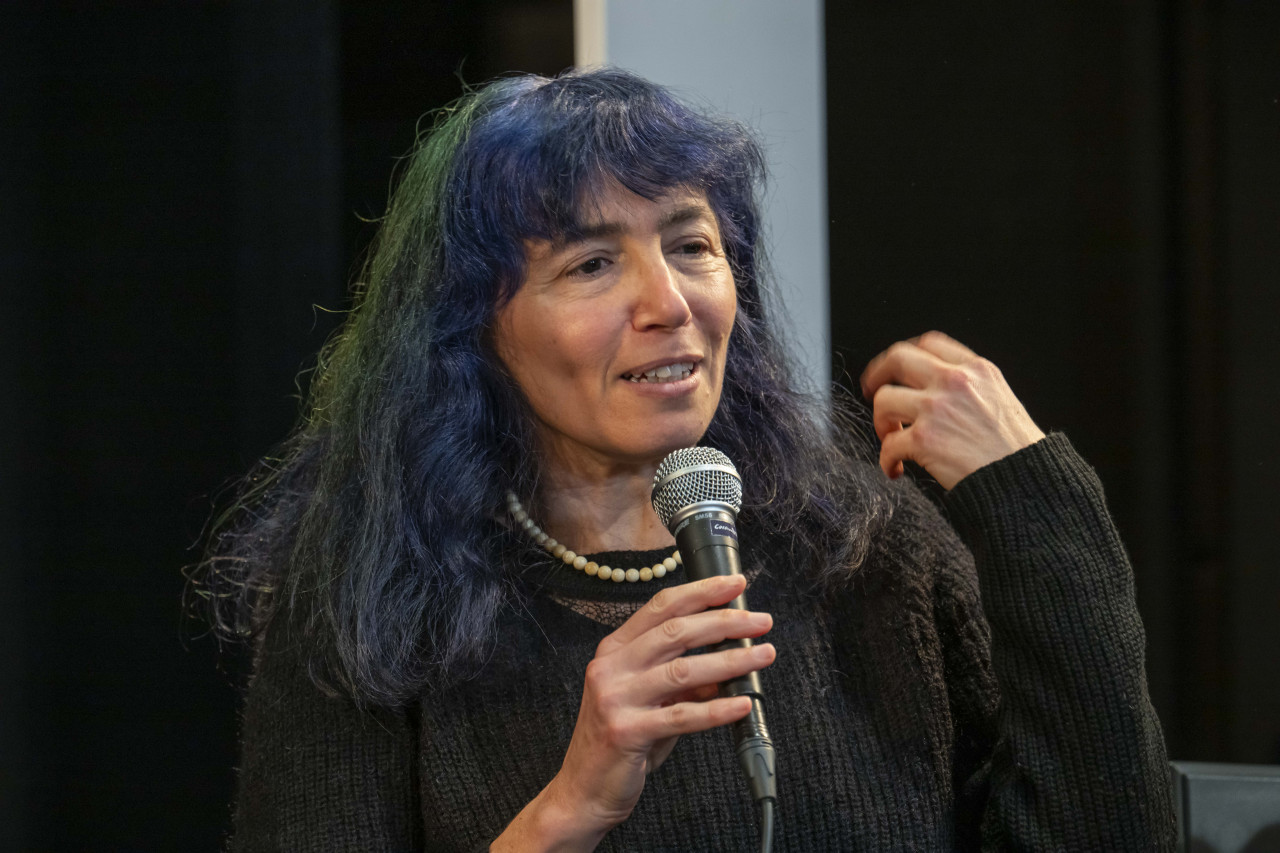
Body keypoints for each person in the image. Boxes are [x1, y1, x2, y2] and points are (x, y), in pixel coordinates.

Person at [194, 68, 1176, 851]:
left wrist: (1032, 502)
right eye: (590, 263)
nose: (668, 302)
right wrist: (570, 806)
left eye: (690, 245)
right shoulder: (365, 604)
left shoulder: (871, 551)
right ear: (471, 330)